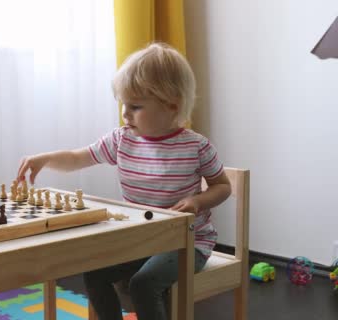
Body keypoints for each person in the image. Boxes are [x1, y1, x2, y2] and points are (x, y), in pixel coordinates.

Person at [16, 43, 232, 320]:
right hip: (139, 239)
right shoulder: (122, 139)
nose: (125, 114)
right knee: (94, 273)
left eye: (135, 106)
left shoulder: (196, 147)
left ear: (171, 105)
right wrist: (44, 159)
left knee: (143, 283)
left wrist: (198, 200)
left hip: (188, 243)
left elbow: (222, 186)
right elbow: (77, 157)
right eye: (123, 104)